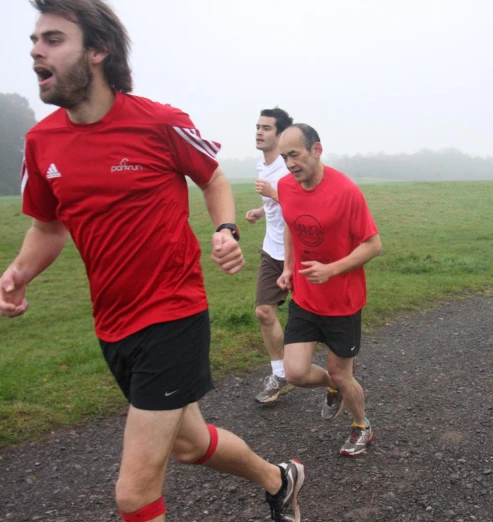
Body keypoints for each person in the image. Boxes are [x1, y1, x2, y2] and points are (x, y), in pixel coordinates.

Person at [1, 2, 303, 521]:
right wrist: (20, 271)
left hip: (171, 313)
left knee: (134, 494)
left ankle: (278, 481)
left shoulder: (159, 122)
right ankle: (280, 479)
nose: (34, 50)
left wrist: (226, 229)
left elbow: (211, 177)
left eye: (52, 39)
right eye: (34, 39)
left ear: (98, 51)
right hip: (112, 324)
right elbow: (48, 226)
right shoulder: (40, 141)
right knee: (187, 444)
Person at [275, 123, 382, 456]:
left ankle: (362, 426)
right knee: (294, 372)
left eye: (294, 154)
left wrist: (332, 269)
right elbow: (292, 226)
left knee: (341, 372)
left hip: (342, 302)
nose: (290, 163)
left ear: (316, 150)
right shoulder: (285, 186)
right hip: (305, 298)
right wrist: (288, 267)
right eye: (284, 157)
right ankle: (330, 387)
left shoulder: (346, 191)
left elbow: (374, 245)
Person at [245, 107, 297, 404]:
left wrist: (274, 195)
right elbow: (276, 204)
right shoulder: (261, 165)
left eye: (266, 128)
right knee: (264, 311)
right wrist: (261, 209)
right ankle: (280, 373)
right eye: (257, 126)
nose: (259, 132)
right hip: (272, 249)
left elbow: (301, 203)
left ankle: (337, 374)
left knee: (316, 319)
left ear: (280, 135)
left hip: (299, 251)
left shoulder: (289, 165)